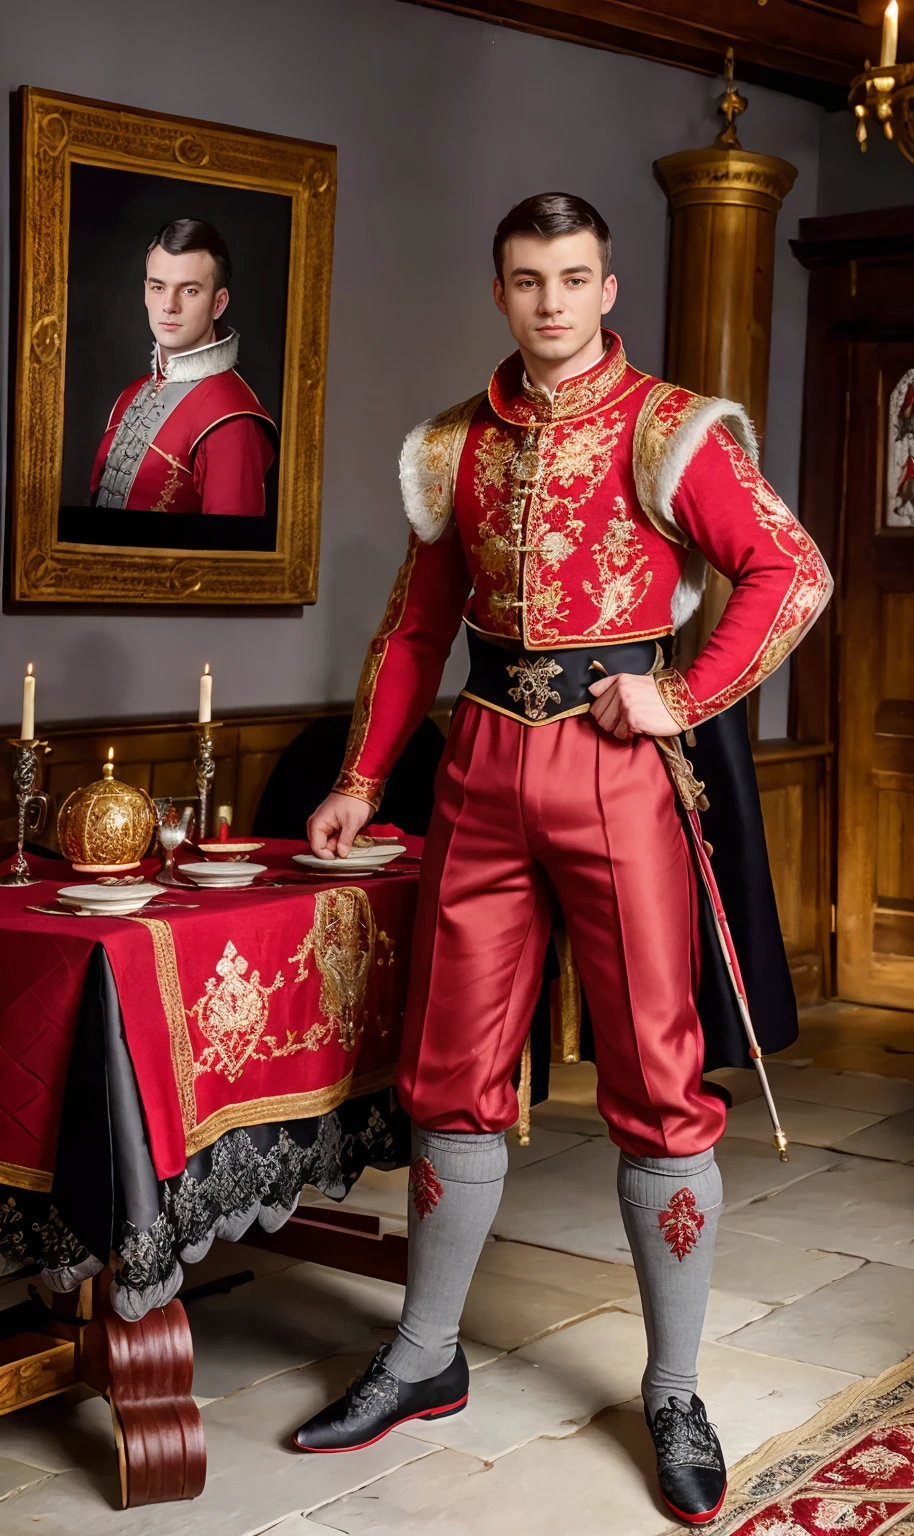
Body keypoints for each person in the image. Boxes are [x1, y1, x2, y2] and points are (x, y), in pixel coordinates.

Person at [295, 193, 832, 1525]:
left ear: (606, 288)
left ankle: (674, 1387)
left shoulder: (669, 426)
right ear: (501, 291)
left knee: (656, 1073)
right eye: (528, 279)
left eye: (574, 277)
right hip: (481, 765)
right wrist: (362, 779)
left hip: (616, 773)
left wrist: (683, 697)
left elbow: (791, 570)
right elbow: (415, 628)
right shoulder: (453, 446)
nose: (551, 301)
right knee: (450, 1076)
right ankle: (424, 1357)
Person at [90, 218, 276, 515]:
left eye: (189, 290)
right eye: (159, 287)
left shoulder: (231, 419)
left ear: (219, 303)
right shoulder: (130, 396)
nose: (169, 305)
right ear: (146, 292)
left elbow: (231, 555)